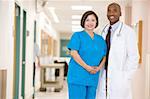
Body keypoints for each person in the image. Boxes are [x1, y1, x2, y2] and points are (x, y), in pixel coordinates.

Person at [96, 3, 139, 99]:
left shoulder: (128, 32)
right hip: (104, 75)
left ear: (120, 13)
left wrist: (126, 76)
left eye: (115, 10)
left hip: (119, 77)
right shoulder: (103, 31)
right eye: (109, 10)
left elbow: (134, 57)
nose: (111, 13)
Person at [67, 10, 107, 99]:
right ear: (83, 22)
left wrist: (99, 68)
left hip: (93, 76)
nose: (90, 23)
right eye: (87, 20)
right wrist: (87, 67)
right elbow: (74, 53)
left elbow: (104, 56)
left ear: (96, 22)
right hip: (77, 76)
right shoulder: (77, 36)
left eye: (93, 20)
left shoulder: (100, 39)